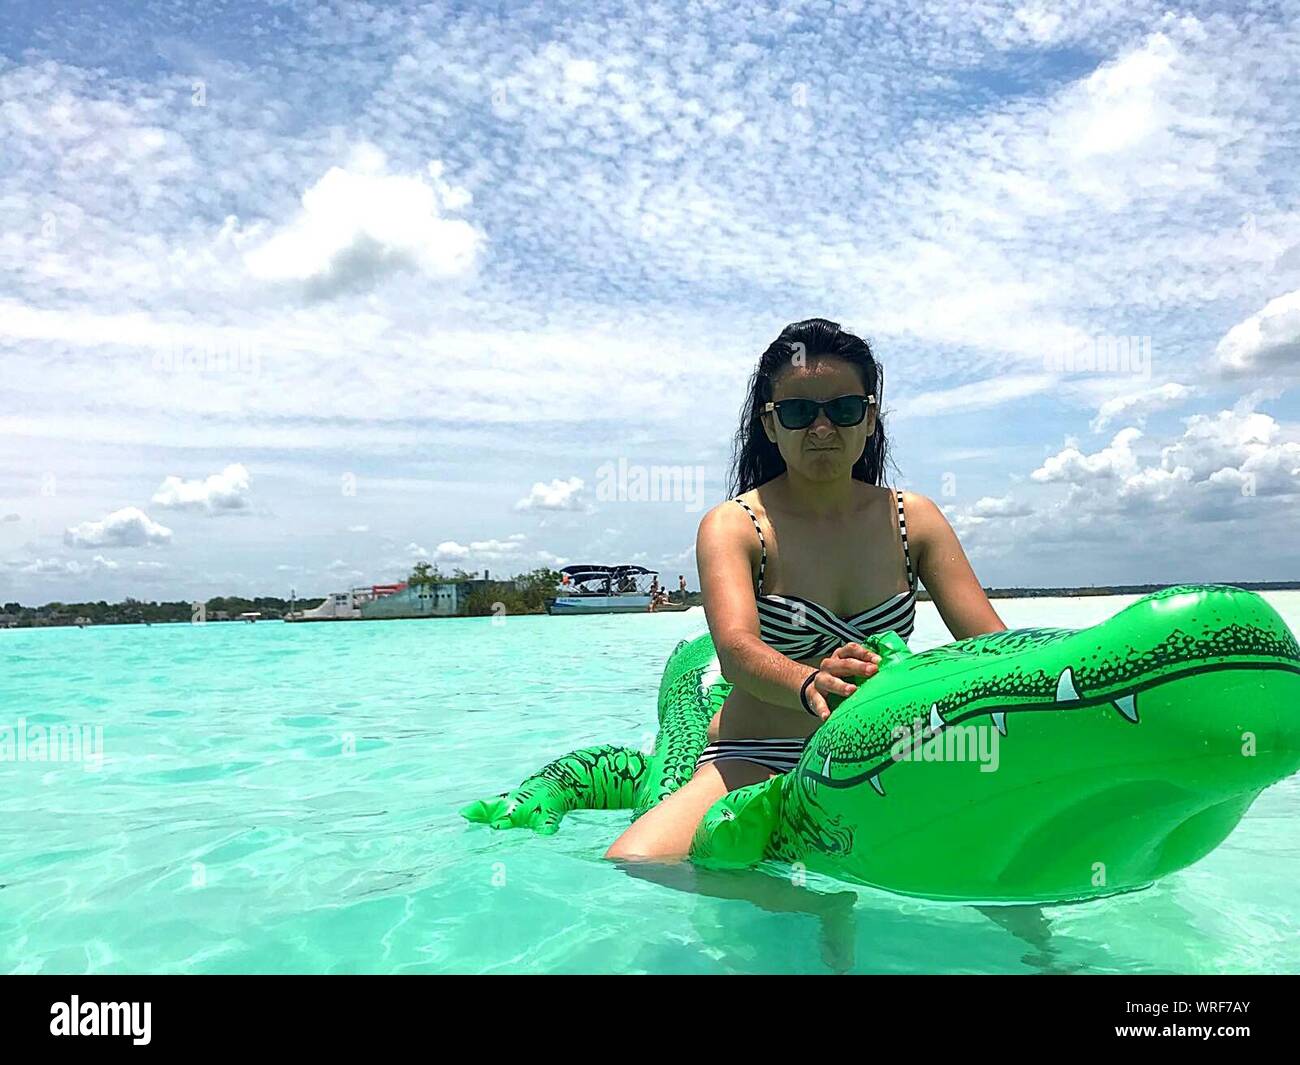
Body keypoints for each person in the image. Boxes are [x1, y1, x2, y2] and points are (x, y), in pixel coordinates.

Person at [605, 317, 1007, 862]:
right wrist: (811, 680)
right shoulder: (736, 526)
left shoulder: (914, 520)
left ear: (869, 419)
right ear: (770, 426)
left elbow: (989, 648)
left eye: (842, 409)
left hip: (886, 756)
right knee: (638, 861)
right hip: (758, 755)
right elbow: (738, 654)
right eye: (798, 412)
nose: (822, 428)